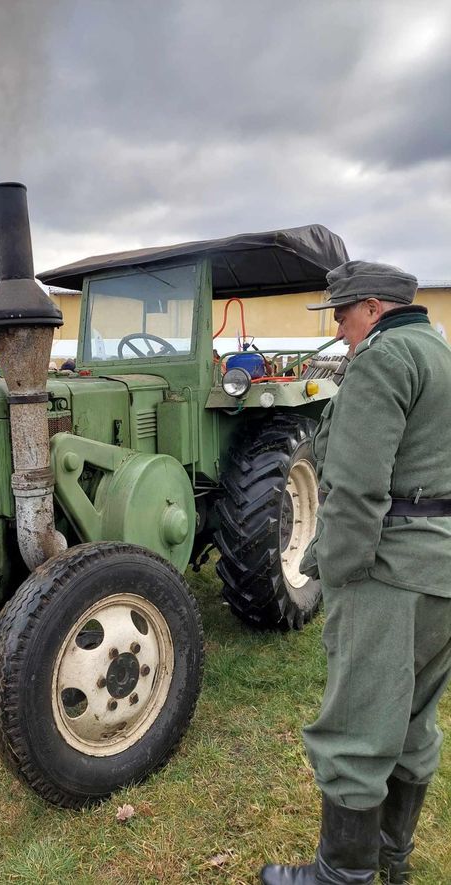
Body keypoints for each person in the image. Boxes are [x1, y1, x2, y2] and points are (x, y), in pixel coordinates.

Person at [260, 261, 451, 885]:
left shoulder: (383, 359)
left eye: (342, 312)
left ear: (373, 307)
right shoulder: (440, 352)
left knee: (358, 727)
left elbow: (358, 489)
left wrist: (334, 574)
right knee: (414, 719)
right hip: (442, 570)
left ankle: (343, 876)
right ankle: (390, 860)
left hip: (390, 572)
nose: (338, 325)